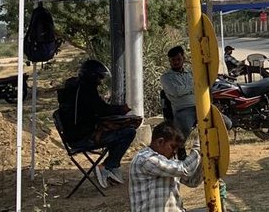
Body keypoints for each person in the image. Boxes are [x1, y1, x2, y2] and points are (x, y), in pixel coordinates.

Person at [56, 59, 137, 189]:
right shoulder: (87, 90)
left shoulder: (74, 88)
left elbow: (94, 110)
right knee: (129, 132)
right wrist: (121, 110)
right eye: (99, 77)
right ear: (92, 76)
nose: (100, 81)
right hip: (83, 138)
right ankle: (107, 166)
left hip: (73, 136)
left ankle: (112, 167)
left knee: (117, 132)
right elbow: (101, 110)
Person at [128, 121, 204, 212]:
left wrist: (205, 160)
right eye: (173, 147)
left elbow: (193, 182)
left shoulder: (167, 161)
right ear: (160, 142)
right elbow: (185, 168)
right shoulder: (146, 159)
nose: (174, 152)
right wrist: (201, 144)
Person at [160, 46, 198, 139]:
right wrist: (193, 87)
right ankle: (180, 146)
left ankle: (199, 144)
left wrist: (186, 89)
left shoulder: (190, 74)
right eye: (173, 60)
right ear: (169, 61)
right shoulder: (166, 77)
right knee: (183, 129)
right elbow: (176, 91)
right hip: (183, 109)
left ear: (183, 59)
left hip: (199, 106)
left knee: (225, 122)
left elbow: (200, 87)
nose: (176, 62)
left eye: (178, 59)